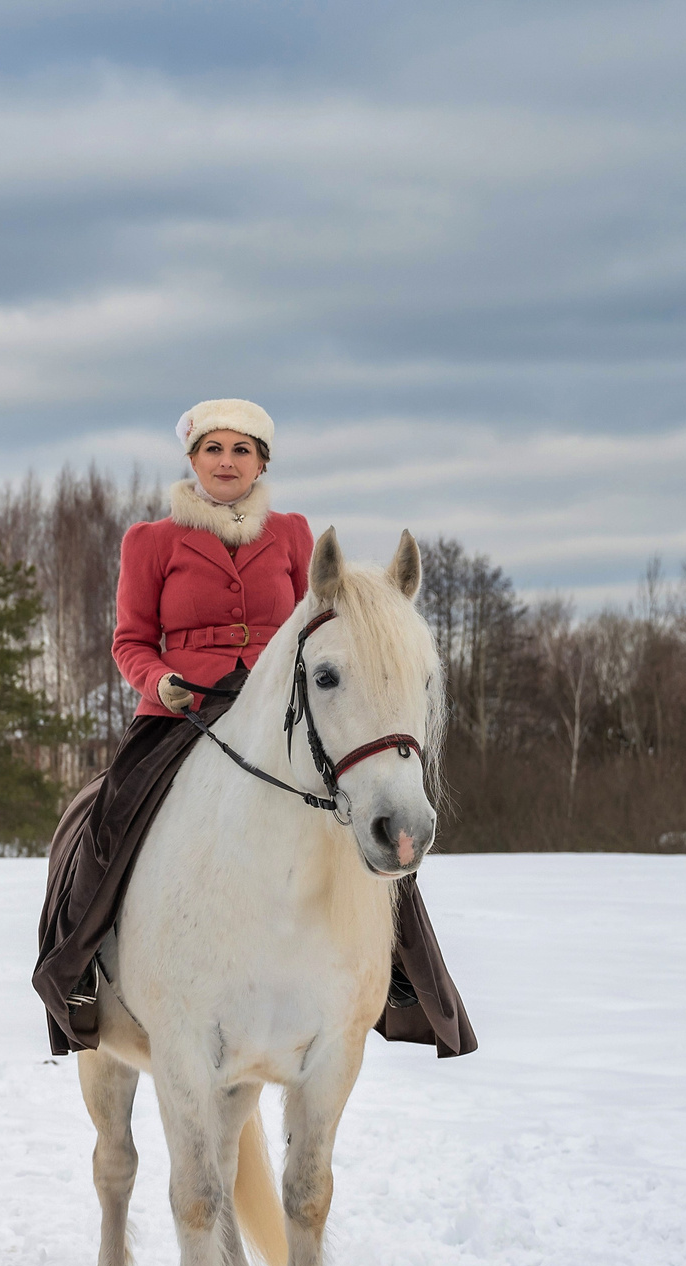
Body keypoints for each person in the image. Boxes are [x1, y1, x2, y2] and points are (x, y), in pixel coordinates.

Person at [33, 399, 473, 1056]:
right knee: (109, 818)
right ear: (193, 460)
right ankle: (80, 968)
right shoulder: (149, 542)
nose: (227, 462)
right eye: (214, 449)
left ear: (261, 462)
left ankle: (404, 975)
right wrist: (159, 682)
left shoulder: (294, 534)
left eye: (242, 451)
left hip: (277, 707)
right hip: (184, 708)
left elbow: (314, 623)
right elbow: (129, 641)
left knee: (370, 811)